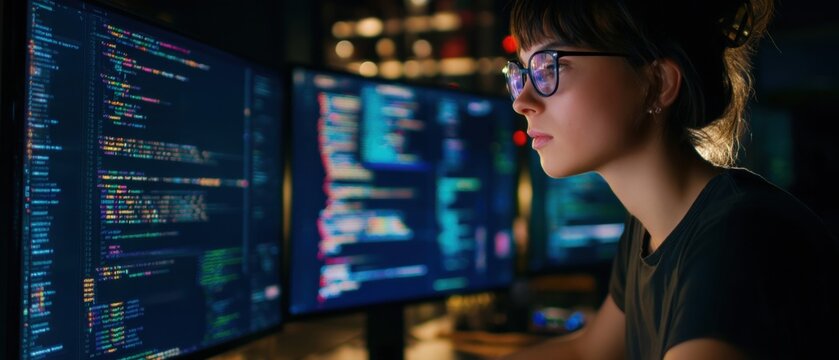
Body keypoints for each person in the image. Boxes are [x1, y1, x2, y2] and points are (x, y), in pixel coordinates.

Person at [500, 0, 839, 359]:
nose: (522, 101)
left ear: (657, 82)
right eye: (522, 73)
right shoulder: (649, 229)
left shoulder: (741, 238)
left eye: (550, 68)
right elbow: (589, 350)